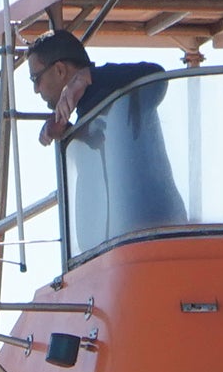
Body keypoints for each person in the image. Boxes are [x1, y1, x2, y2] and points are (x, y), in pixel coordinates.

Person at [24, 27, 183, 234]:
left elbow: (155, 76)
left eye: (36, 79)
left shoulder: (112, 92)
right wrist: (68, 133)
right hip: (127, 240)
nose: (36, 90)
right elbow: (101, 144)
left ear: (60, 70)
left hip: (156, 231)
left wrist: (87, 76)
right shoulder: (91, 110)